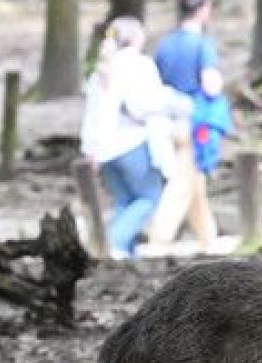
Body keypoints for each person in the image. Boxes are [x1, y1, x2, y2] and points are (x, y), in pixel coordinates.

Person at [80, 17, 187, 259]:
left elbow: (93, 114)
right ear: (136, 38)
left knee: (124, 203)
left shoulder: (101, 70)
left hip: (103, 150)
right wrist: (176, 104)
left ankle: (127, 255)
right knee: (148, 198)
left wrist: (90, 149)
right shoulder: (138, 65)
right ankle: (112, 244)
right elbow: (143, 105)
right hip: (132, 145)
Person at [150, 0, 232, 251]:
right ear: (203, 9)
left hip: (167, 121)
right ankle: (158, 240)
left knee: (194, 181)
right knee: (181, 184)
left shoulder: (164, 44)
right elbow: (211, 85)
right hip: (193, 123)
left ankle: (208, 238)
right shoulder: (202, 45)